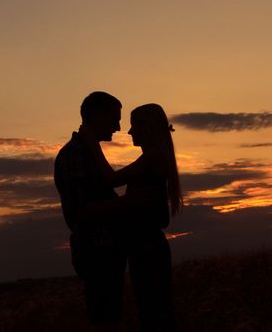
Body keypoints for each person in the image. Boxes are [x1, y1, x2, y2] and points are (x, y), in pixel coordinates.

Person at [82, 103, 183, 331]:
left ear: (146, 128)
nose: (129, 132)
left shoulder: (153, 158)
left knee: (154, 315)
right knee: (154, 312)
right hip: (145, 248)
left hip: (147, 249)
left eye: (134, 126)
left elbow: (111, 179)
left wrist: (91, 144)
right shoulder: (154, 158)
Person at [55, 91, 135, 331]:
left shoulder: (86, 152)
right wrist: (128, 203)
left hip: (106, 250)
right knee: (104, 320)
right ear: (96, 117)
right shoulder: (74, 154)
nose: (118, 127)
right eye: (114, 119)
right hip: (96, 251)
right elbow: (80, 211)